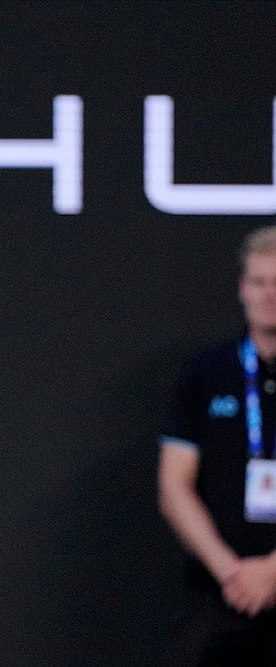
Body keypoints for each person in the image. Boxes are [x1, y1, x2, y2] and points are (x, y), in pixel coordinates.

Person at [158, 226, 276, 665]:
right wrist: (233, 573)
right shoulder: (208, 372)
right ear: (242, 289)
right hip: (220, 590)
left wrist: (272, 572)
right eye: (259, 282)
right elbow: (174, 487)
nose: (269, 295)